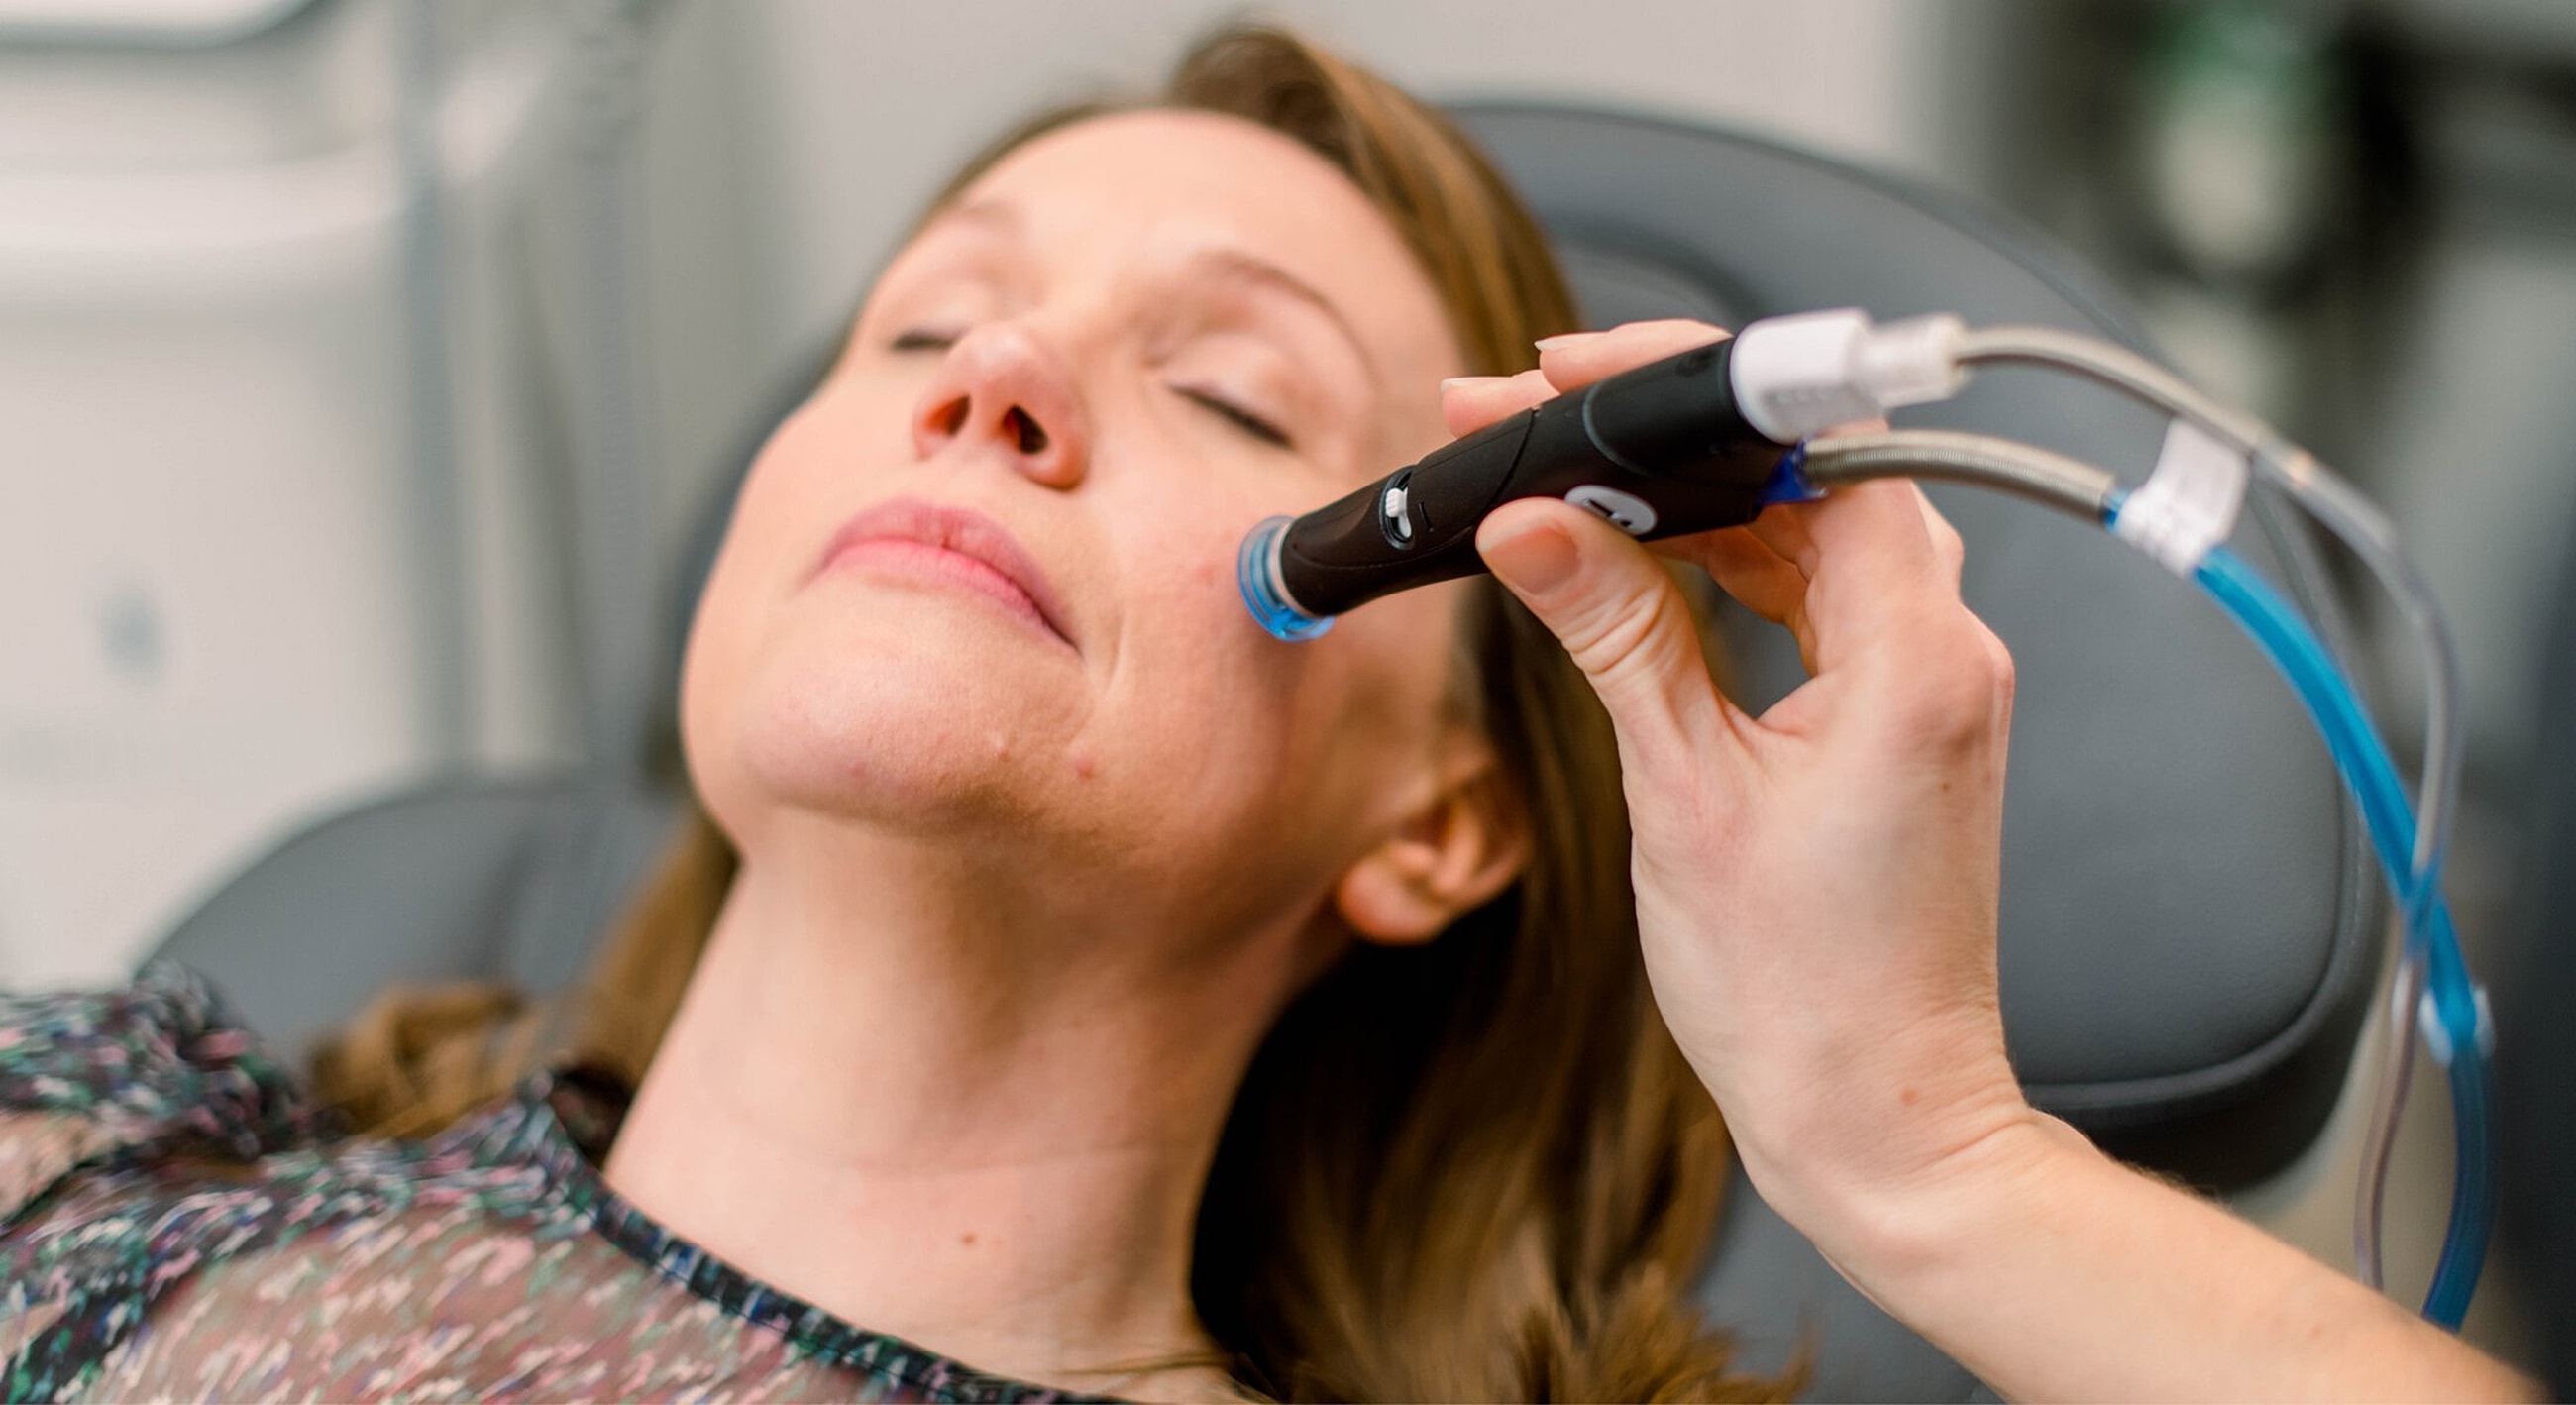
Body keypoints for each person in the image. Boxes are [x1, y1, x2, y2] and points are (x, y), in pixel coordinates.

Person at [0, 22, 2536, 1403]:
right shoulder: (143, 1158)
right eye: (917, 318)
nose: (992, 366)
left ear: (1440, 810)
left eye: (1224, 391)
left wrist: (1933, 1164)